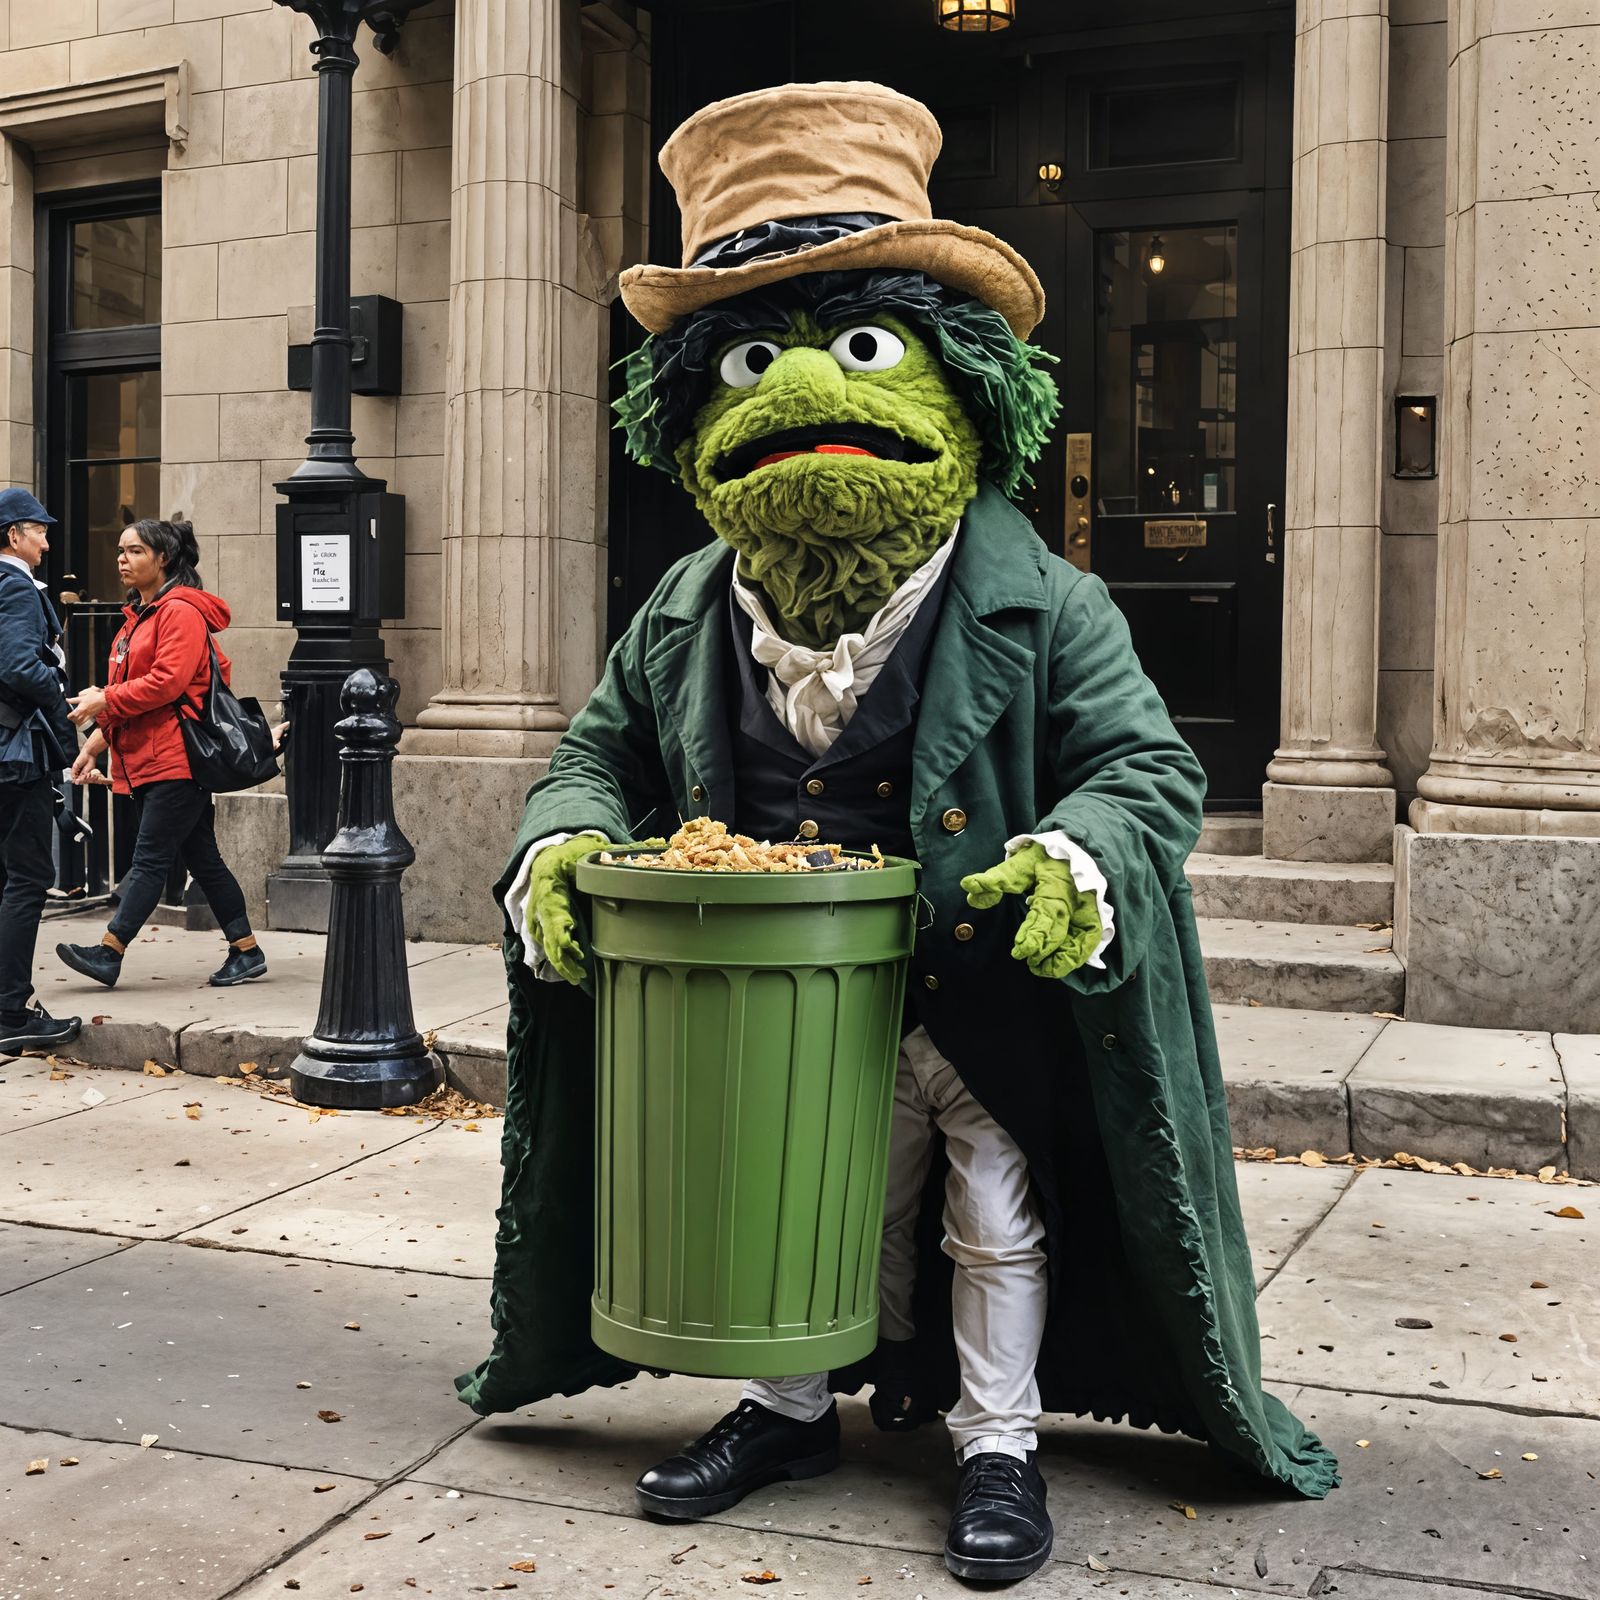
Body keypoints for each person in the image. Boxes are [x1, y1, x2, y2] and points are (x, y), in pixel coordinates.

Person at [456, 81, 1336, 1587]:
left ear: (964, 386)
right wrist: (560, 846)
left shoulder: (1042, 599)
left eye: (860, 343)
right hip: (778, 1000)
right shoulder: (683, 607)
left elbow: (1142, 765)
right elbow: (593, 756)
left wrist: (1077, 855)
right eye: (747, 358)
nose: (797, 390)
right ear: (691, 413)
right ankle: (788, 1407)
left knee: (993, 1207)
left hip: (976, 978)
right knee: (812, 1198)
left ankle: (999, 1445)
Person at [56, 517, 266, 990]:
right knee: (204, 860)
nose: (121, 559)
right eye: (120, 550)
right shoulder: (138, 617)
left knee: (149, 859)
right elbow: (129, 691)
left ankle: (110, 952)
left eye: (133, 551)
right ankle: (247, 951)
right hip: (148, 757)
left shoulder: (180, 613)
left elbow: (166, 684)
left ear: (163, 558)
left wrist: (104, 701)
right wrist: (95, 742)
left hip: (177, 759)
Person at [0, 489, 81, 1054]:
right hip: (14, 756)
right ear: (13, 536)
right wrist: (64, 710)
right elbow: (20, 665)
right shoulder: (14, 585)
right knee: (26, 878)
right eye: (39, 530)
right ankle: (10, 1012)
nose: (47, 542)